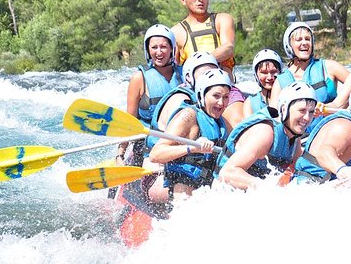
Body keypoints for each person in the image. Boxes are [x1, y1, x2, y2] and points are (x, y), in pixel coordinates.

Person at [171, 0, 245, 128]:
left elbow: (228, 48)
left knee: (238, 122)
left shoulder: (222, 20)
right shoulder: (176, 32)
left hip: (225, 91)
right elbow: (173, 69)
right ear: (183, 0)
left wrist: (200, 60)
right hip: (193, 94)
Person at [217, 81, 317, 190]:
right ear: (284, 109)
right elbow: (226, 174)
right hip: (223, 192)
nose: (307, 118)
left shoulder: (294, 136)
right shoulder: (265, 132)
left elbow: (295, 167)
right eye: (302, 111)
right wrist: (270, 189)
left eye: (311, 112)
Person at [148, 68, 232, 197]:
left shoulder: (220, 121)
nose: (221, 102)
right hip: (180, 187)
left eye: (226, 97)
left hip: (205, 186)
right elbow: (155, 154)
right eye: (216, 96)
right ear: (201, 95)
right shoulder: (188, 116)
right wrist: (192, 148)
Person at [117, 24, 183, 166]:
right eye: (154, 47)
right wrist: (120, 153)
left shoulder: (186, 75)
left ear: (172, 49)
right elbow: (129, 121)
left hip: (180, 143)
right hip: (147, 145)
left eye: (163, 47)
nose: (159, 52)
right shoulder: (139, 78)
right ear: (148, 50)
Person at [269, 21, 349, 110]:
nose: (304, 43)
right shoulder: (280, 82)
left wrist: (336, 105)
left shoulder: (330, 67)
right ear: (289, 45)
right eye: (299, 40)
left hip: (330, 121)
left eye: (307, 39)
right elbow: (274, 116)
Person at [243, 49, 282, 117]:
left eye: (273, 72)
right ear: (256, 75)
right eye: (264, 73)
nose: (269, 77)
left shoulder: (289, 96)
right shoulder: (250, 103)